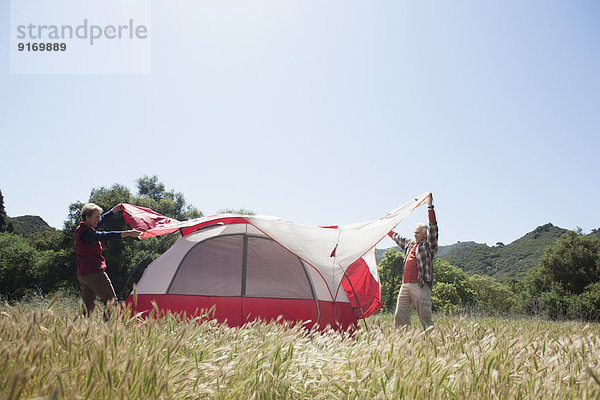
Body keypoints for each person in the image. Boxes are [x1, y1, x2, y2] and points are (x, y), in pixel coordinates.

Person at [74, 203, 141, 319]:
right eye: (96, 217)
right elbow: (105, 235)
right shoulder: (87, 234)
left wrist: (114, 210)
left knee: (87, 307)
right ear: (87, 217)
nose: (98, 220)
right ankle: (107, 328)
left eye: (99, 216)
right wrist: (128, 233)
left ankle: (76, 330)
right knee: (111, 302)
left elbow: (101, 221)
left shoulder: (83, 229)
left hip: (84, 274)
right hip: (94, 273)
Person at [388, 194, 438, 330]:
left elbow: (433, 227)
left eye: (417, 233)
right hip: (405, 285)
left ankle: (431, 340)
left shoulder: (429, 245)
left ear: (424, 235)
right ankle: (403, 341)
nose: (414, 235)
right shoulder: (410, 244)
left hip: (420, 286)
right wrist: (386, 227)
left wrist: (430, 207)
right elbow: (398, 238)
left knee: (425, 316)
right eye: (414, 232)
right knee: (400, 315)